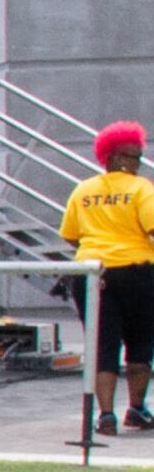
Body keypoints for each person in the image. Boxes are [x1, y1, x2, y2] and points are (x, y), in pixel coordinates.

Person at [60, 119, 154, 436]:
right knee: (141, 345)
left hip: (91, 273)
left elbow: (70, 235)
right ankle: (136, 409)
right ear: (114, 157)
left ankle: (105, 416)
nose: (138, 163)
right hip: (136, 273)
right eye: (134, 156)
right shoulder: (141, 189)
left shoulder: (83, 190)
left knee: (102, 346)